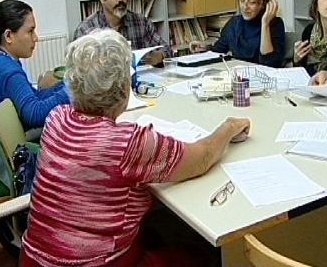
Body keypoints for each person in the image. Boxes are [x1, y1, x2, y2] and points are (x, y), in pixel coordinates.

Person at [21, 29, 251, 266]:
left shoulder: (55, 119)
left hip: (34, 259)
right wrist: (230, 126)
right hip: (97, 263)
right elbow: (202, 158)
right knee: (205, 255)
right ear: (123, 89)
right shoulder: (127, 144)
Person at [0, 0, 70, 197]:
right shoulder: (6, 69)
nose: (36, 38)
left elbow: (33, 98)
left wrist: (63, 86)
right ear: (9, 35)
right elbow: (33, 114)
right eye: (30, 31)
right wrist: (72, 90)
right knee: (68, 170)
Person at [191, 0, 285, 67]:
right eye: (242, 0)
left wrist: (265, 24)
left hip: (263, 78)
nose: (245, 6)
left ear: (263, 3)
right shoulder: (234, 23)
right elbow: (217, 51)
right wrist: (204, 48)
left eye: (252, 2)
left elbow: (270, 64)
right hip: (239, 77)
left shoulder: (275, 24)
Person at [73, 0, 170, 66]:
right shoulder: (86, 29)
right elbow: (77, 68)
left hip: (138, 79)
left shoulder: (141, 22)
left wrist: (160, 55)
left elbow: (166, 48)